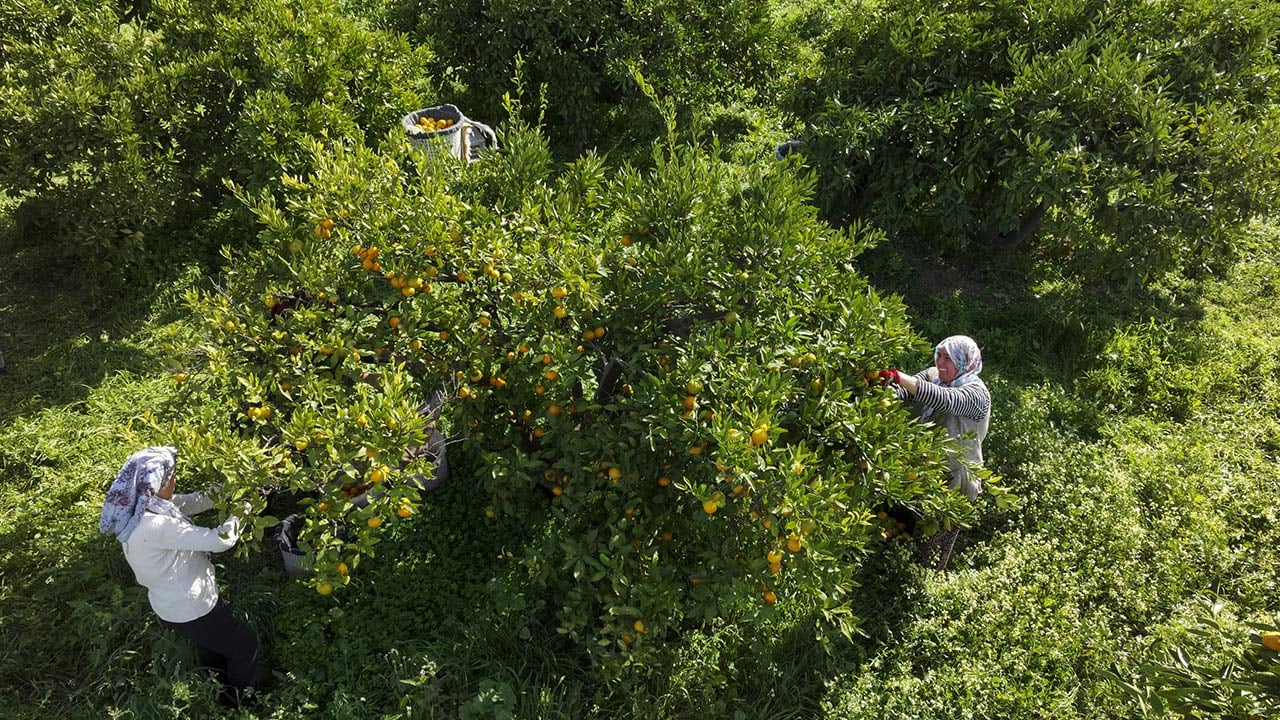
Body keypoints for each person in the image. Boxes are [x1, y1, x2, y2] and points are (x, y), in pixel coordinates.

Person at [98, 446, 268, 705]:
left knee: (211, 649)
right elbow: (220, 540)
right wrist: (245, 508)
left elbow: (196, 501)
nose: (175, 480)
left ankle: (220, 692)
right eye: (171, 477)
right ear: (155, 485)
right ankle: (243, 700)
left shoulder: (142, 508)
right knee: (244, 645)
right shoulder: (155, 525)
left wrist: (237, 485)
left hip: (174, 605)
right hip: (192, 607)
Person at [881, 335, 990, 569]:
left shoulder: (977, 394)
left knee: (932, 544)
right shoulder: (932, 375)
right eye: (939, 354)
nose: (941, 362)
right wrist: (884, 389)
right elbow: (905, 393)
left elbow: (945, 400)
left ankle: (922, 581)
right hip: (919, 469)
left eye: (948, 358)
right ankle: (888, 570)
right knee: (898, 527)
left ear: (964, 361)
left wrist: (900, 377)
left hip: (954, 479)